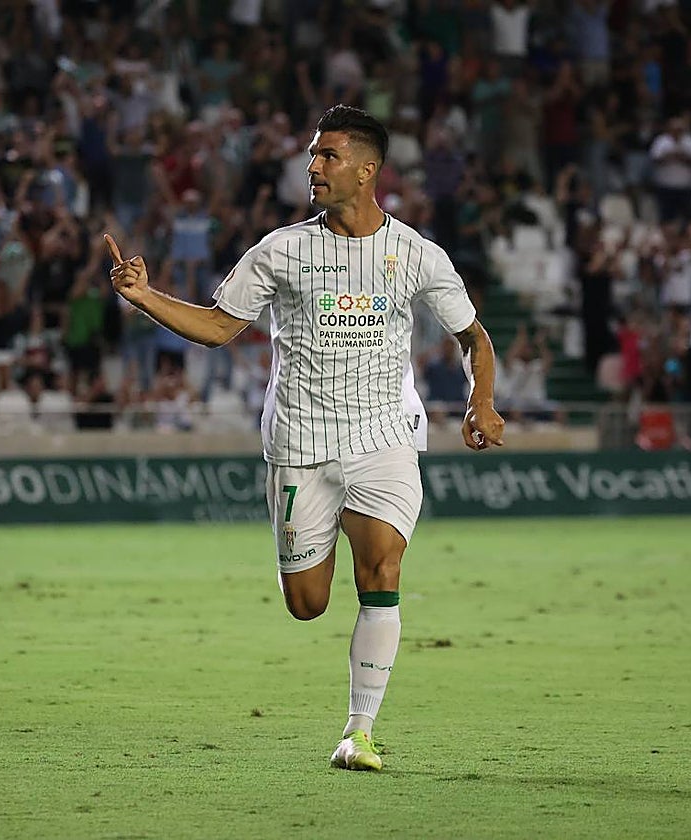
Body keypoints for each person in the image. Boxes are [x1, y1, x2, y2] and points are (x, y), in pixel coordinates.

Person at [106, 105, 504, 772]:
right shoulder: (281, 250)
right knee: (307, 603)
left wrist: (481, 400)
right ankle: (330, 541)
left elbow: (473, 336)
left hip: (383, 438)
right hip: (300, 442)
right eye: (313, 155)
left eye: (328, 156)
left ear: (367, 171)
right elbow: (216, 326)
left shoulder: (415, 254)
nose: (313, 166)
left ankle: (360, 733)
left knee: (382, 569)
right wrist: (146, 297)